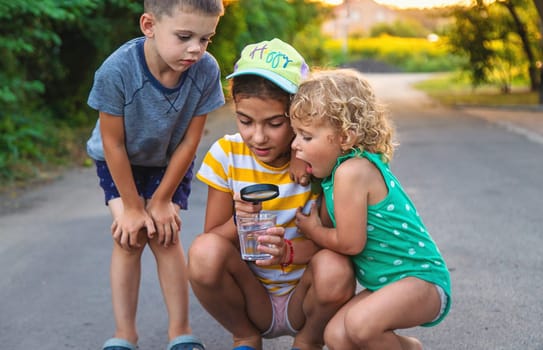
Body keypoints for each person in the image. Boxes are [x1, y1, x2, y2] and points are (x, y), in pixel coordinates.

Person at [187, 38, 355, 350]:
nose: (258, 137)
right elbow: (212, 242)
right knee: (203, 252)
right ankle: (245, 336)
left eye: (275, 123)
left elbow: (339, 245)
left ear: (298, 114)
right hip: (253, 296)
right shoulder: (227, 154)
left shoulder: (322, 159)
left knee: (336, 267)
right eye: (245, 120)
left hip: (305, 295)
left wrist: (288, 252)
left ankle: (308, 341)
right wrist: (239, 221)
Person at [85, 1, 225, 349]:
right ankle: (124, 335)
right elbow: (113, 144)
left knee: (166, 236)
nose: (196, 48)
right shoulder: (117, 71)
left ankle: (179, 333)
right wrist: (133, 208)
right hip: (120, 160)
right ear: (149, 25)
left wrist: (161, 200)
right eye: (184, 36)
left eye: (206, 39)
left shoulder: (205, 71)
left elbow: (191, 141)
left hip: (169, 160)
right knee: (129, 237)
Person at [289, 68, 452, 350]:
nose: (295, 145)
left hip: (420, 279)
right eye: (295, 135)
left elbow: (350, 243)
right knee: (337, 336)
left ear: (345, 138)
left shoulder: (352, 171)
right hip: (388, 285)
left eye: (306, 137)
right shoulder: (334, 176)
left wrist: (313, 230)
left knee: (359, 326)